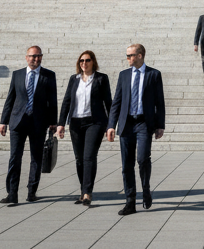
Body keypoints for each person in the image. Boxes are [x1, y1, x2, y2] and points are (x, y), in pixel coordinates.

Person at [107, 43, 166, 215]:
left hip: (144, 123)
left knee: (142, 159)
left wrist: (160, 125)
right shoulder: (124, 75)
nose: (128, 58)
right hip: (126, 124)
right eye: (127, 55)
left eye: (130, 55)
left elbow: (160, 102)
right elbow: (116, 102)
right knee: (126, 164)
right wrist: (111, 125)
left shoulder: (153, 74)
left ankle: (145, 189)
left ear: (140, 56)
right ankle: (130, 201)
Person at [0, 45, 59, 205]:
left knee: (36, 158)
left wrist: (53, 122)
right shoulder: (17, 74)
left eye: (38, 56)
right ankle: (12, 193)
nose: (35, 59)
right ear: (26, 58)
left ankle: (32, 191)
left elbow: (52, 100)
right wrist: (3, 121)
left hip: (38, 122)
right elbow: (10, 98)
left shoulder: (49, 75)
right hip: (18, 121)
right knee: (14, 158)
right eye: (32, 56)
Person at [56, 50, 112, 207]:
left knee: (89, 157)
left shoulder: (101, 78)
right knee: (79, 159)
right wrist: (61, 123)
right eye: (81, 60)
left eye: (87, 60)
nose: (84, 63)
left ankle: (87, 192)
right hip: (75, 123)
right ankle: (83, 190)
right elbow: (67, 101)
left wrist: (111, 125)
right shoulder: (74, 79)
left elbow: (108, 102)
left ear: (93, 62)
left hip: (94, 123)